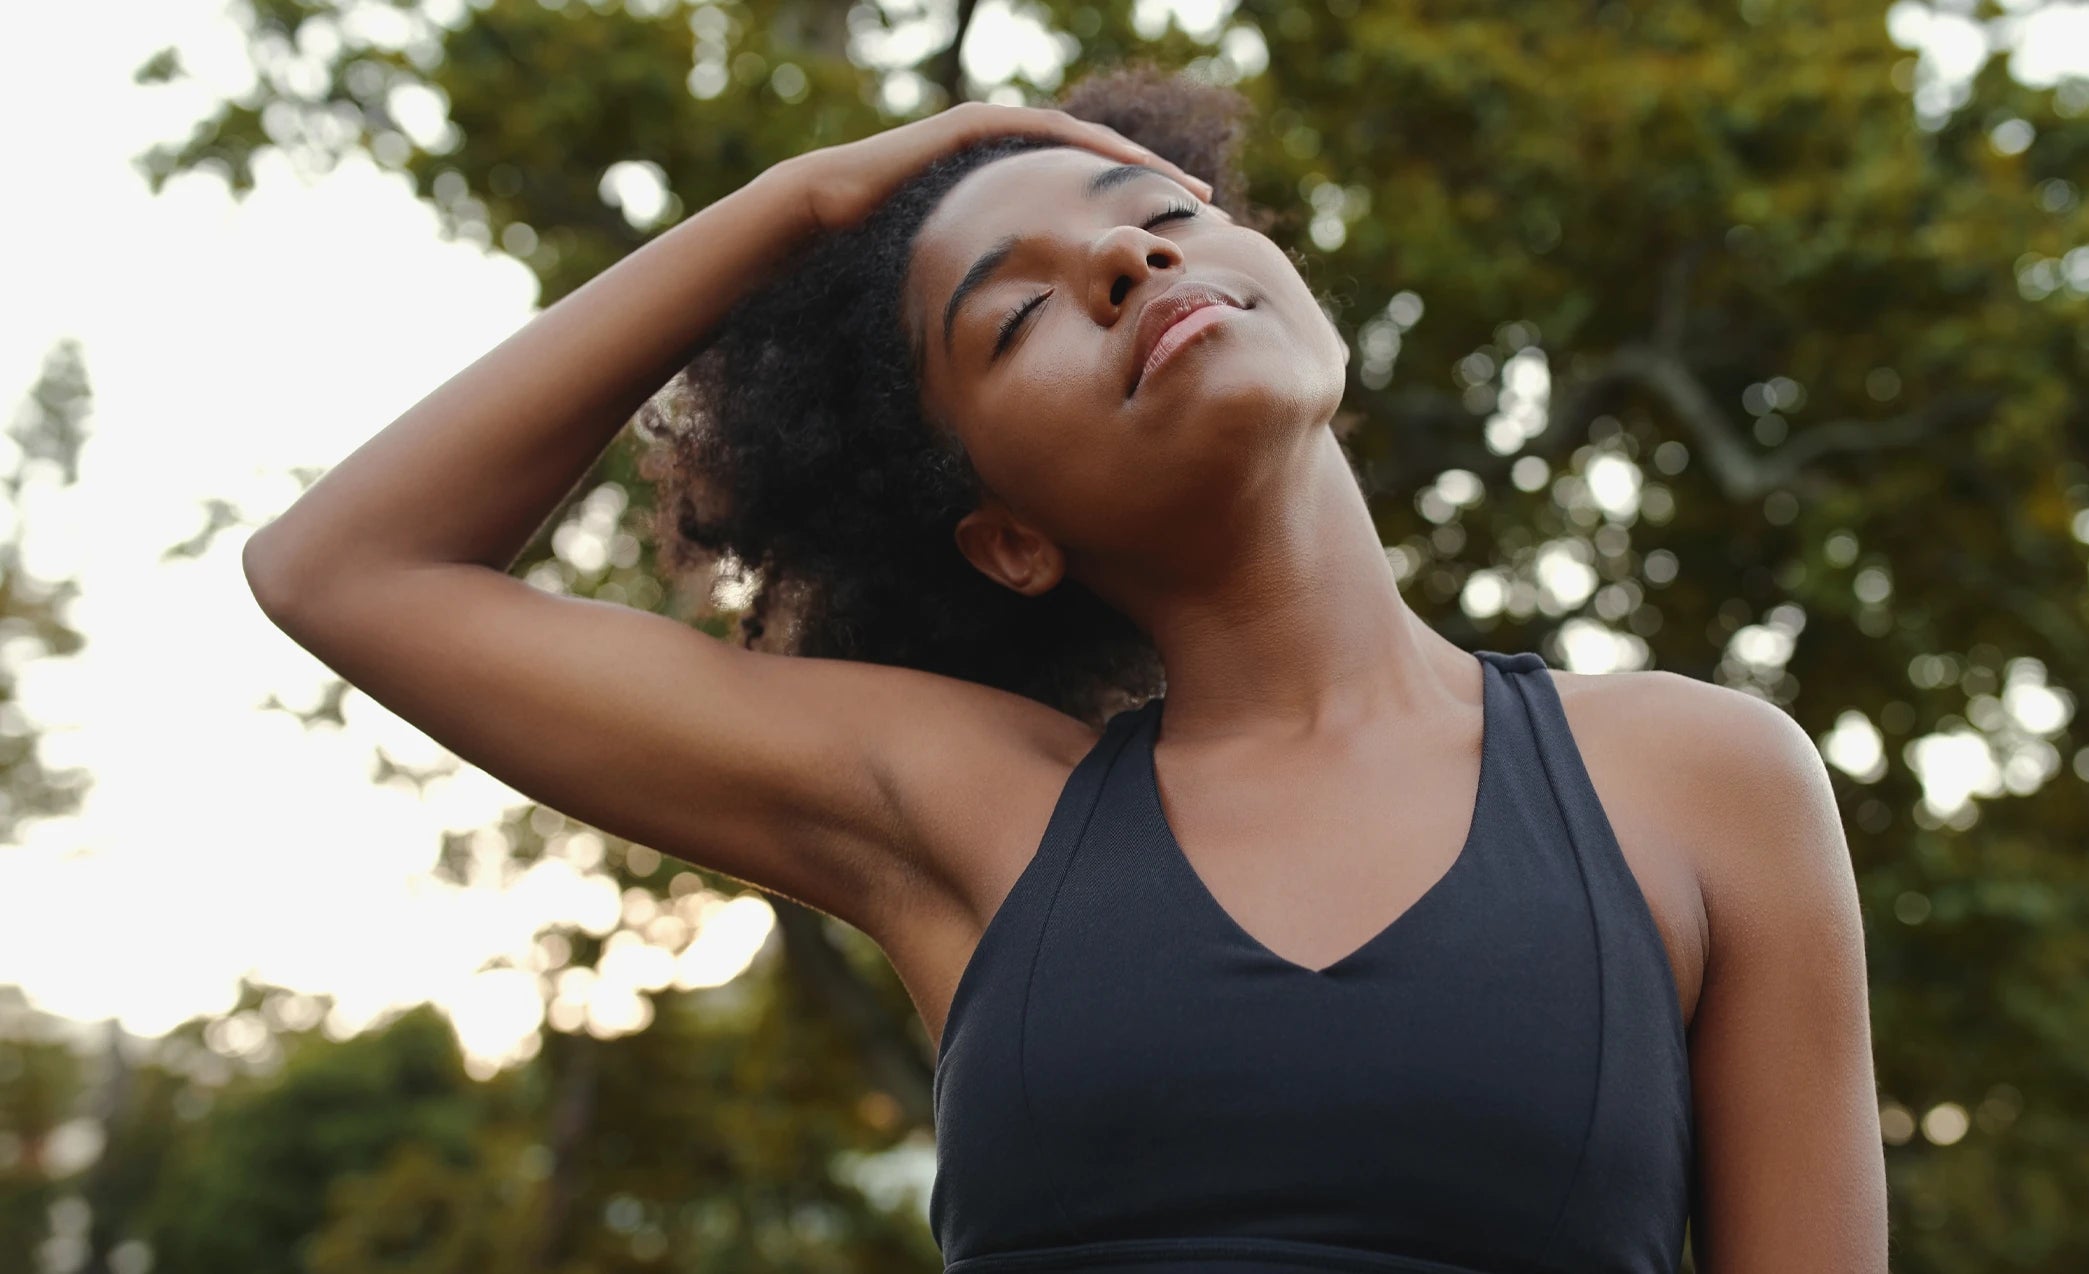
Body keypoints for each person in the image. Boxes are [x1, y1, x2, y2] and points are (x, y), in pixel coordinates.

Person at [243, 60, 1885, 1274]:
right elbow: (346, 571)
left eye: (1159, 213)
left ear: (1295, 291)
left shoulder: (1701, 778)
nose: (1126, 265)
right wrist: (804, 201)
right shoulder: (980, 815)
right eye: (1011, 320)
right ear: (1004, 537)